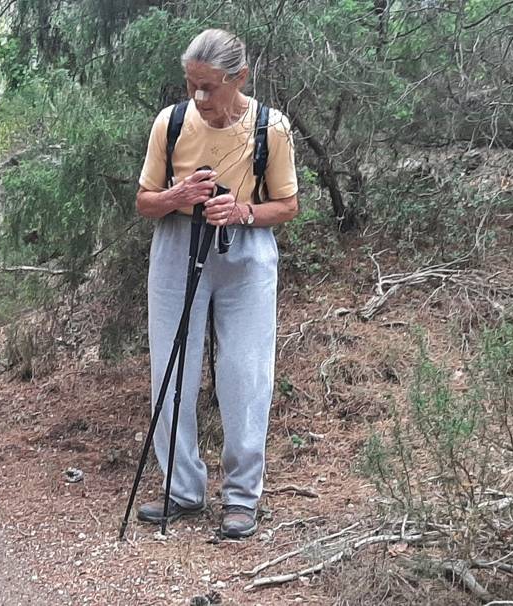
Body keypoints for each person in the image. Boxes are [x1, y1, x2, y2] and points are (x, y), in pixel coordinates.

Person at [133, 29, 299, 539]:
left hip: (245, 251)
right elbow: (144, 202)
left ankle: (242, 498)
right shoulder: (173, 122)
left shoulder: (272, 128)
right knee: (172, 367)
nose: (199, 98)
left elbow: (288, 206)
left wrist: (244, 210)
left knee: (246, 372)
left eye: (210, 86)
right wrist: (177, 194)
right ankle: (182, 490)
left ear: (239, 78)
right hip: (176, 242)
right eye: (191, 85)